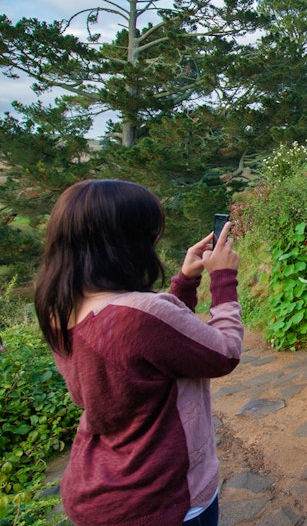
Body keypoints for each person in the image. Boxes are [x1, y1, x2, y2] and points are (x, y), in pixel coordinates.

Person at [33, 179, 243, 526]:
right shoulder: (139, 314)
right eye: (149, 234)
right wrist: (222, 279)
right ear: (126, 242)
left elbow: (157, 345)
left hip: (98, 488)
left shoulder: (58, 308)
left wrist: (186, 281)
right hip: (165, 498)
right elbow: (224, 353)